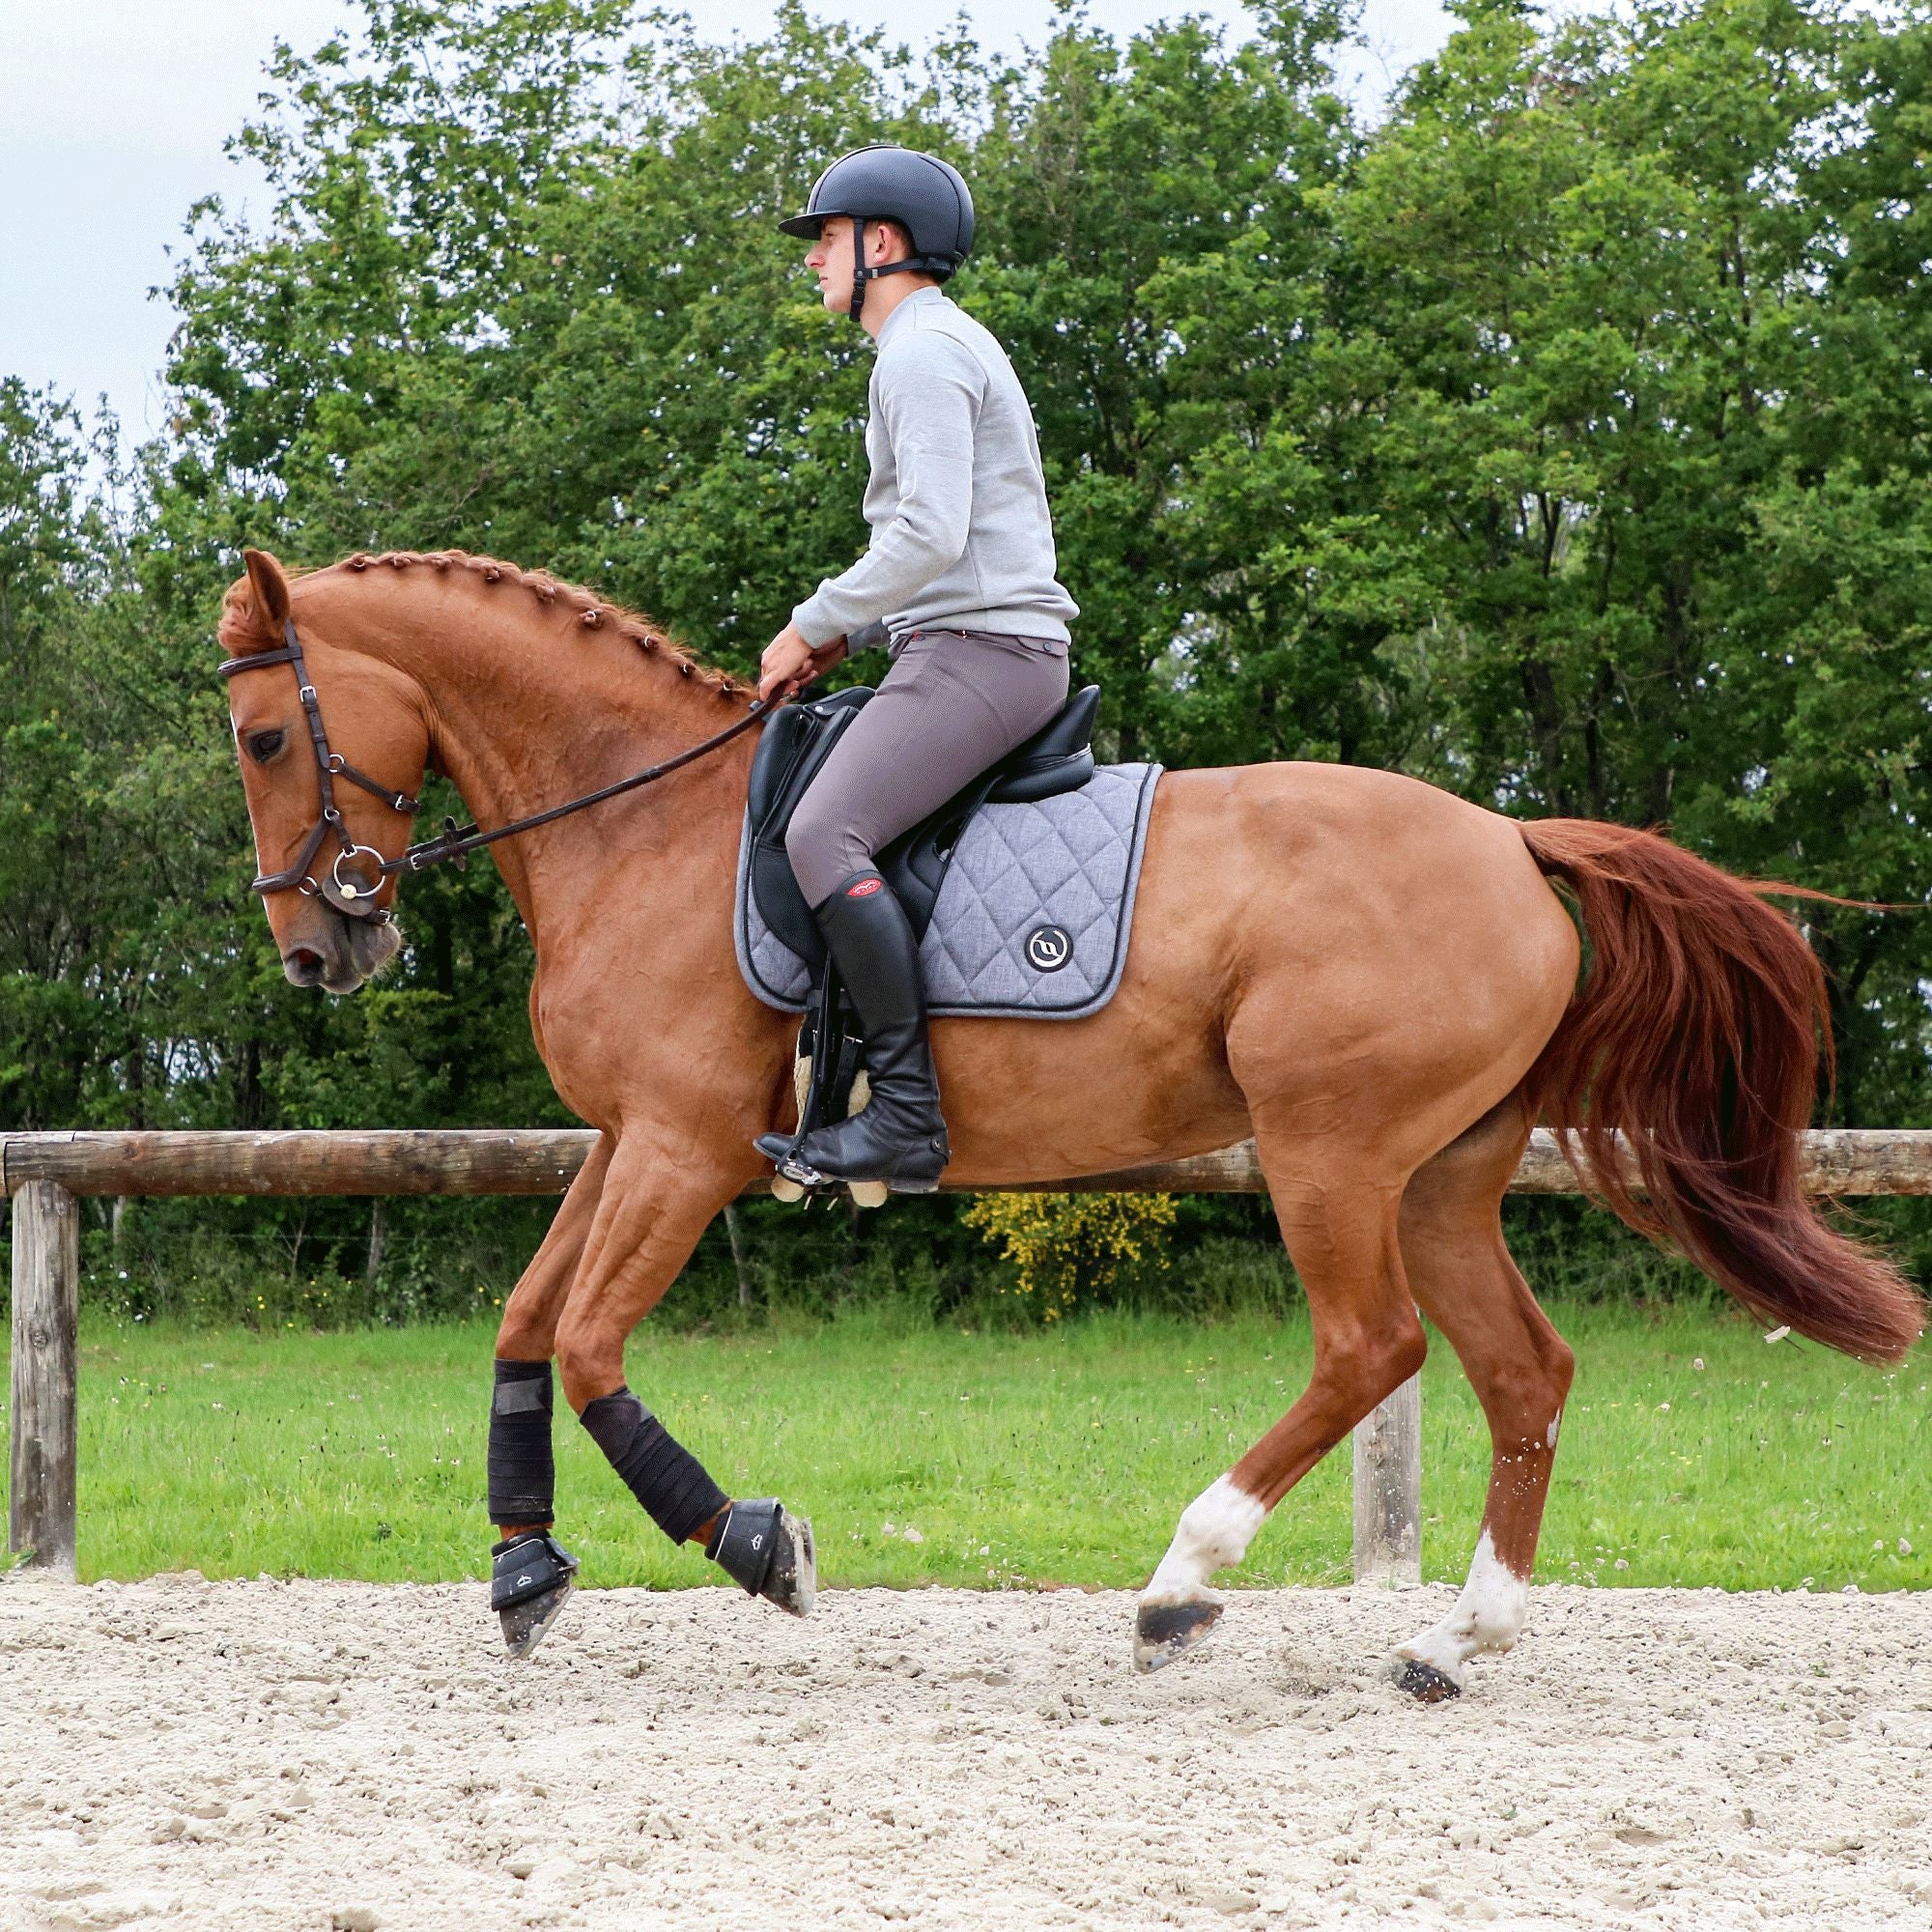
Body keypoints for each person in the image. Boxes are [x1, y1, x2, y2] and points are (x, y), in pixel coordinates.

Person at [756, 145, 1078, 1192]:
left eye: (823, 240)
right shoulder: (933, 346)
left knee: (819, 828)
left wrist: (810, 623)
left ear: (878, 243)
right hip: (955, 638)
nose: (813, 262)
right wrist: (864, 625)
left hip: (983, 650)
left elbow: (931, 533)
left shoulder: (919, 353)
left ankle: (900, 1113)